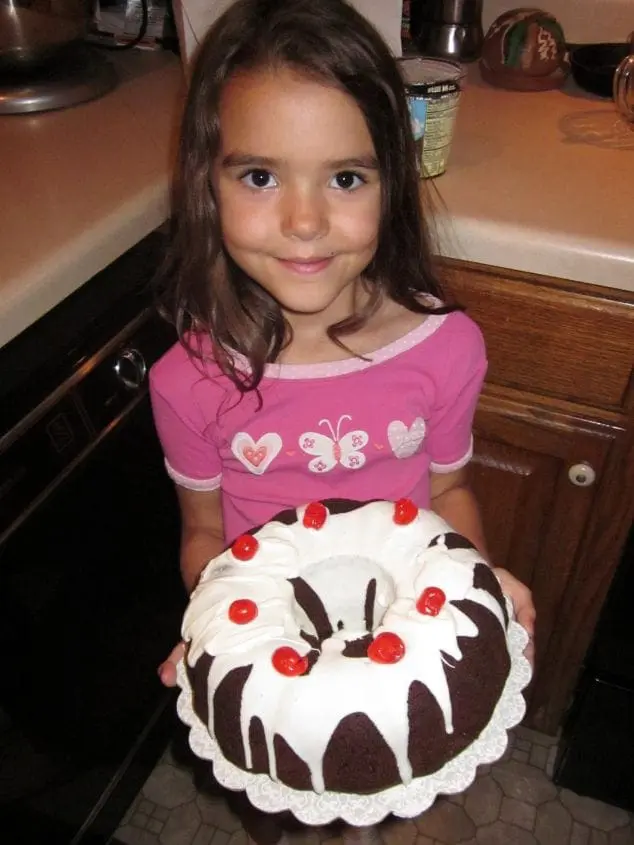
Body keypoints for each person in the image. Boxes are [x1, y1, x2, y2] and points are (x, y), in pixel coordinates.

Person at [150, 0, 535, 840]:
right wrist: (218, 637)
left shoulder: (445, 349)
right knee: (275, 810)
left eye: (346, 177)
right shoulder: (188, 382)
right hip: (276, 663)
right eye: (259, 176)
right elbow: (203, 530)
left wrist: (481, 589)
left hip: (404, 643)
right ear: (205, 185)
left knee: (383, 792)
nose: (304, 222)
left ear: (392, 182)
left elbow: (452, 486)